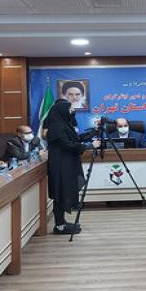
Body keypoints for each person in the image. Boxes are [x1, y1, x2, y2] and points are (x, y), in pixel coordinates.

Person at [46, 99, 100, 235]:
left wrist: (94, 131)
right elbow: (67, 144)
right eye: (70, 109)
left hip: (66, 164)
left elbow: (75, 139)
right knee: (60, 195)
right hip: (60, 166)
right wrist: (89, 146)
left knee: (63, 194)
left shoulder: (64, 124)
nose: (72, 111)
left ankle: (62, 223)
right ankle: (59, 226)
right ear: (62, 111)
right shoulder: (56, 127)